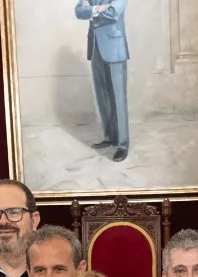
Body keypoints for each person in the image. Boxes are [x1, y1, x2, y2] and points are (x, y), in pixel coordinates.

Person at [76, 1, 130, 161]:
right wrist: (98, 9)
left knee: (118, 98)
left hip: (115, 47)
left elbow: (113, 12)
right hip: (95, 48)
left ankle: (122, 145)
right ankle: (109, 137)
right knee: (102, 96)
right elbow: (78, 11)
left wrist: (91, 11)